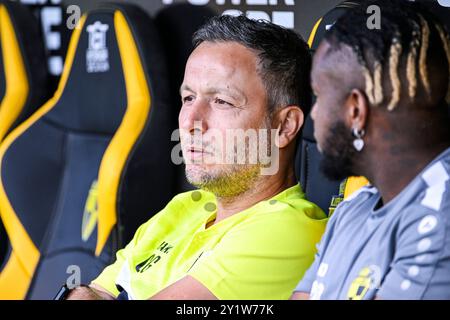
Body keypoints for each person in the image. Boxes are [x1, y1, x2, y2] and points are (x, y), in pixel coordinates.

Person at [67, 15, 327, 300]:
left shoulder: (285, 230)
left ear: (284, 126)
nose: (191, 121)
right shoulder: (183, 209)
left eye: (222, 101)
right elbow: (93, 292)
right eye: (188, 98)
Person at [292, 0, 450, 300]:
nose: (313, 116)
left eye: (318, 97)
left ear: (355, 111)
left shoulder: (440, 217)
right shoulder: (355, 207)